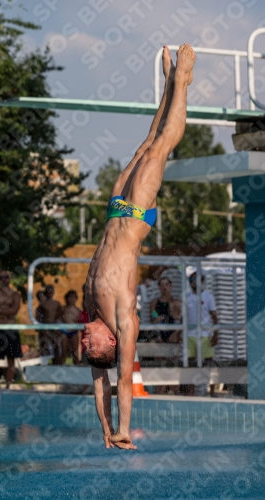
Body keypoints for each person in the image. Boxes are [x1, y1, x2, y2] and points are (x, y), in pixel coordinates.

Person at [83, 44, 196, 450]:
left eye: (84, 345)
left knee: (144, 142)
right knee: (163, 144)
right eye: (90, 344)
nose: (83, 339)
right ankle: (183, 80)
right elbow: (122, 381)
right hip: (137, 214)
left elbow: (100, 387)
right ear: (110, 342)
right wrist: (124, 429)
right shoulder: (121, 320)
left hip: (116, 210)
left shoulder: (92, 314)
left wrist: (103, 429)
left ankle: (167, 86)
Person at [186, 272, 218, 397]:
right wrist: (180, 332)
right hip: (190, 335)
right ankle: (191, 390)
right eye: (192, 280)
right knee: (190, 363)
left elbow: (214, 317)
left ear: (202, 281)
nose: (194, 282)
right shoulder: (187, 297)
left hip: (205, 334)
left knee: (209, 363)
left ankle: (212, 390)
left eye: (196, 279)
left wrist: (215, 334)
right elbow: (184, 317)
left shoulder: (208, 297)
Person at [0, 270, 22, 389]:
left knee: (11, 360)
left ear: (9, 279)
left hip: (10, 330)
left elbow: (14, 311)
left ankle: (8, 385)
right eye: (1, 277)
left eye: (6, 277)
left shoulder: (15, 295)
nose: (4, 279)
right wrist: (6, 312)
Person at [150, 277, 181, 343]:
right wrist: (156, 319)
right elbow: (152, 319)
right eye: (162, 284)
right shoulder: (154, 302)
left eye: (167, 284)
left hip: (173, 330)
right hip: (159, 330)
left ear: (170, 286)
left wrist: (170, 302)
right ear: (159, 287)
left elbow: (177, 317)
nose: (164, 287)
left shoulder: (176, 302)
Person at [40, 285, 63, 364]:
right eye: (48, 292)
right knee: (44, 343)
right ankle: (44, 362)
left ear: (53, 293)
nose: (49, 293)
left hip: (54, 325)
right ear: (45, 293)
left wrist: (56, 319)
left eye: (51, 292)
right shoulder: (42, 304)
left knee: (55, 344)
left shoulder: (57, 303)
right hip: (45, 325)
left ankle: (56, 362)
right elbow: (38, 314)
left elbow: (61, 312)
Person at [61, 290, 80, 365]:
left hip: (74, 331)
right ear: (67, 298)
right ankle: (62, 367)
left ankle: (77, 367)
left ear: (76, 299)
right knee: (64, 352)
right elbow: (57, 318)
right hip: (64, 331)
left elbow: (80, 321)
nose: (72, 299)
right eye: (70, 297)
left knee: (75, 352)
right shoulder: (63, 308)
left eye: (74, 297)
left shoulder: (78, 310)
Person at [35, 290, 49, 356]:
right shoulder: (38, 308)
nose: (42, 298)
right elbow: (37, 318)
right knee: (43, 343)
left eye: (42, 296)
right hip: (42, 328)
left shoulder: (49, 306)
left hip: (50, 328)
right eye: (40, 297)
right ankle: (43, 356)